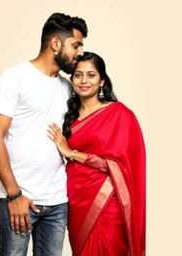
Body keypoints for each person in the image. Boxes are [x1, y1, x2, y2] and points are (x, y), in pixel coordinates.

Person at [0, 13, 88, 256]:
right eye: (76, 45)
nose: (81, 52)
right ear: (55, 43)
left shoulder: (67, 87)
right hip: (19, 198)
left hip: (57, 202)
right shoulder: (14, 77)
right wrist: (14, 194)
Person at [48, 52, 146, 256]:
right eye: (78, 75)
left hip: (106, 201)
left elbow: (117, 164)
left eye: (91, 75)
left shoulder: (119, 114)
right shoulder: (67, 115)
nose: (84, 81)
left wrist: (70, 152)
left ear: (102, 80)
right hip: (75, 200)